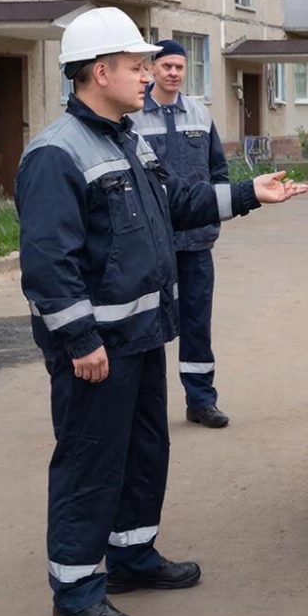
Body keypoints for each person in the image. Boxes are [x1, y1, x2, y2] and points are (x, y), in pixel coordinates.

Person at [15, 7, 308, 616]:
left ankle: (132, 558)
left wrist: (250, 193)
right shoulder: (56, 153)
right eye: (136, 64)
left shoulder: (127, 137)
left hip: (144, 335)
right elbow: (47, 264)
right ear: (100, 71)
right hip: (98, 349)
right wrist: (81, 340)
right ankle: (75, 589)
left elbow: (178, 204)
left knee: (145, 452)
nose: (148, 75)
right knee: (91, 463)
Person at [128, 40, 230, 429]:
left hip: (196, 242)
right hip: (151, 244)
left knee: (196, 324)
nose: (173, 73)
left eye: (179, 67)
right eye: (166, 66)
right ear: (153, 69)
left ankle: (201, 400)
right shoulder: (134, 117)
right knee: (146, 323)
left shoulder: (200, 115)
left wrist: (214, 218)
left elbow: (218, 171)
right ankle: (141, 408)